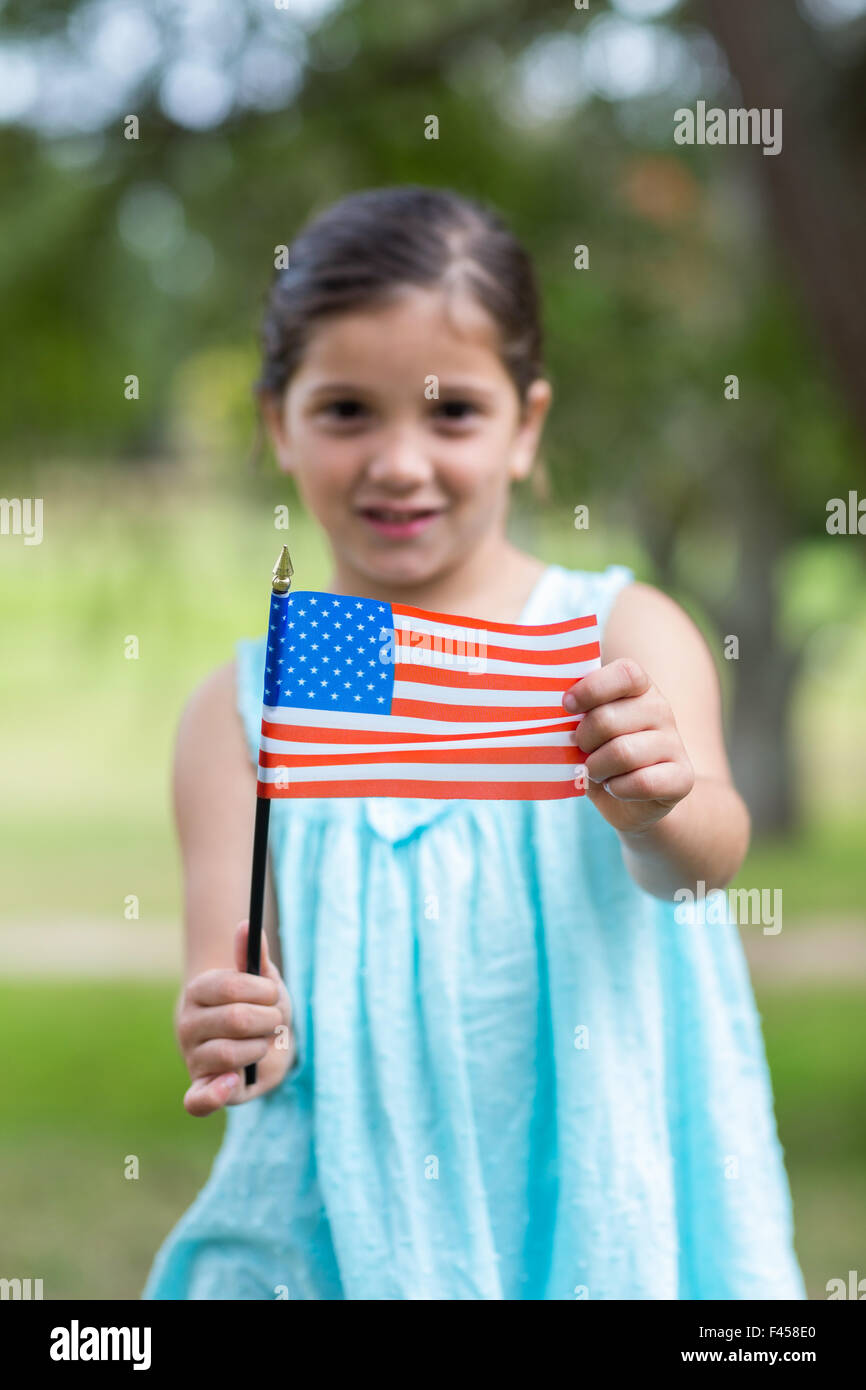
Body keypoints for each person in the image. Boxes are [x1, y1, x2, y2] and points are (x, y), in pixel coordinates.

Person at [142, 184, 805, 1300]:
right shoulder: (244, 711)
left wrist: (661, 806)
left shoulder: (616, 634)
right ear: (277, 422)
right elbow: (235, 970)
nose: (399, 461)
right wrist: (236, 1024)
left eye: (451, 413)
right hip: (361, 1209)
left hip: (596, 1168)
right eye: (346, 410)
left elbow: (706, 861)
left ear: (525, 426)